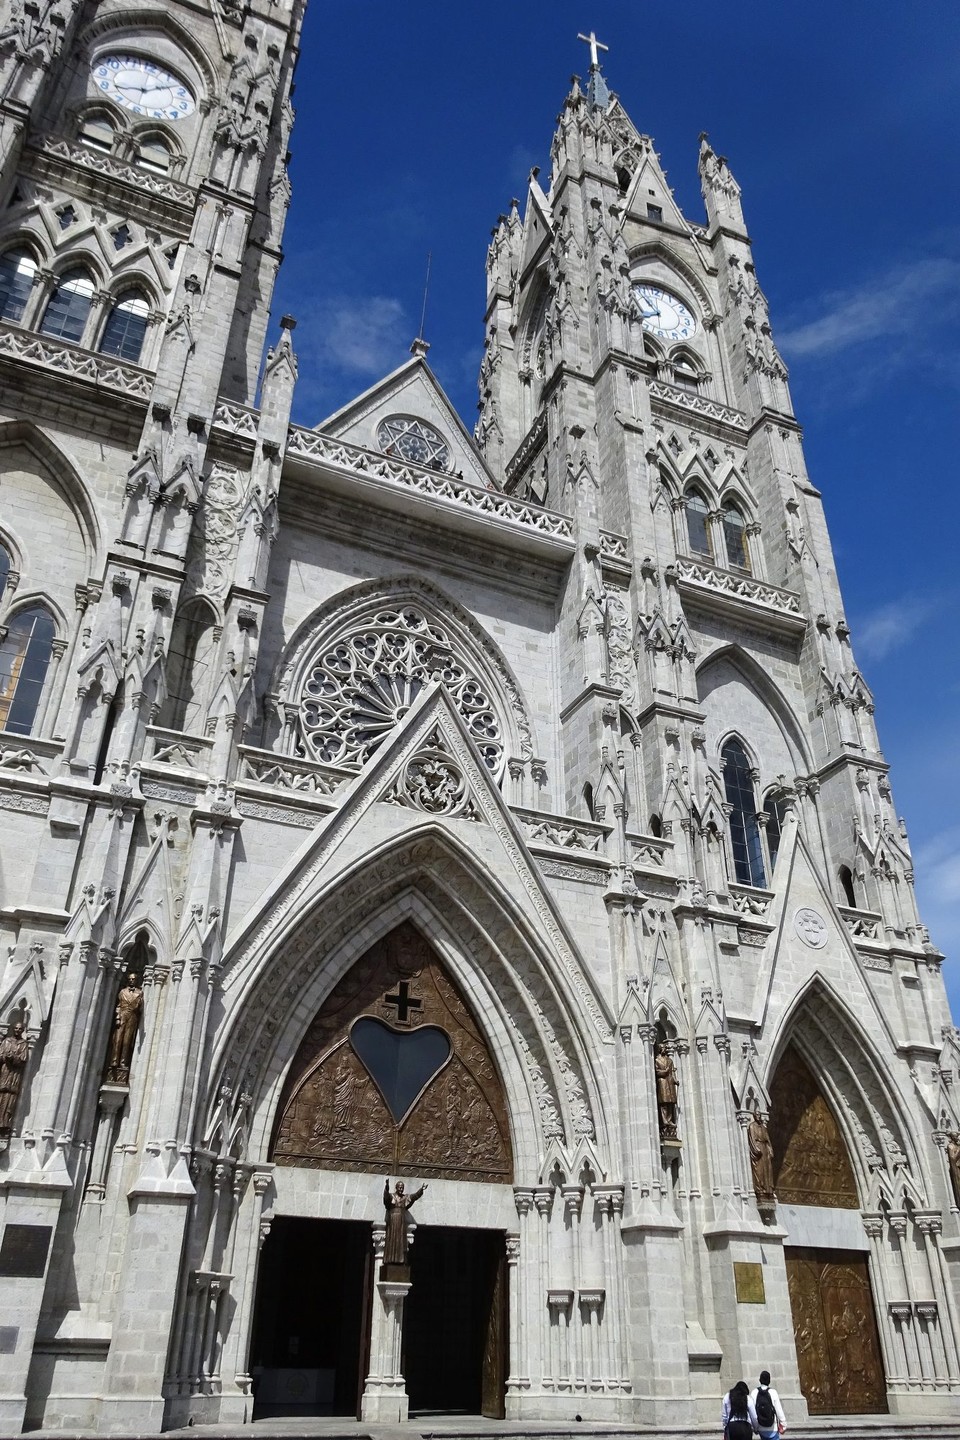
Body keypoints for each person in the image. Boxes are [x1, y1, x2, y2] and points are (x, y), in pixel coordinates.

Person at [750, 1369, 786, 1438]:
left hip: (761, 1426)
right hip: (773, 1427)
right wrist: (783, 1424)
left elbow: (753, 1413)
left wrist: (755, 1427)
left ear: (760, 1380)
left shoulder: (754, 1392)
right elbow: (779, 1410)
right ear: (769, 1381)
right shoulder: (773, 1392)